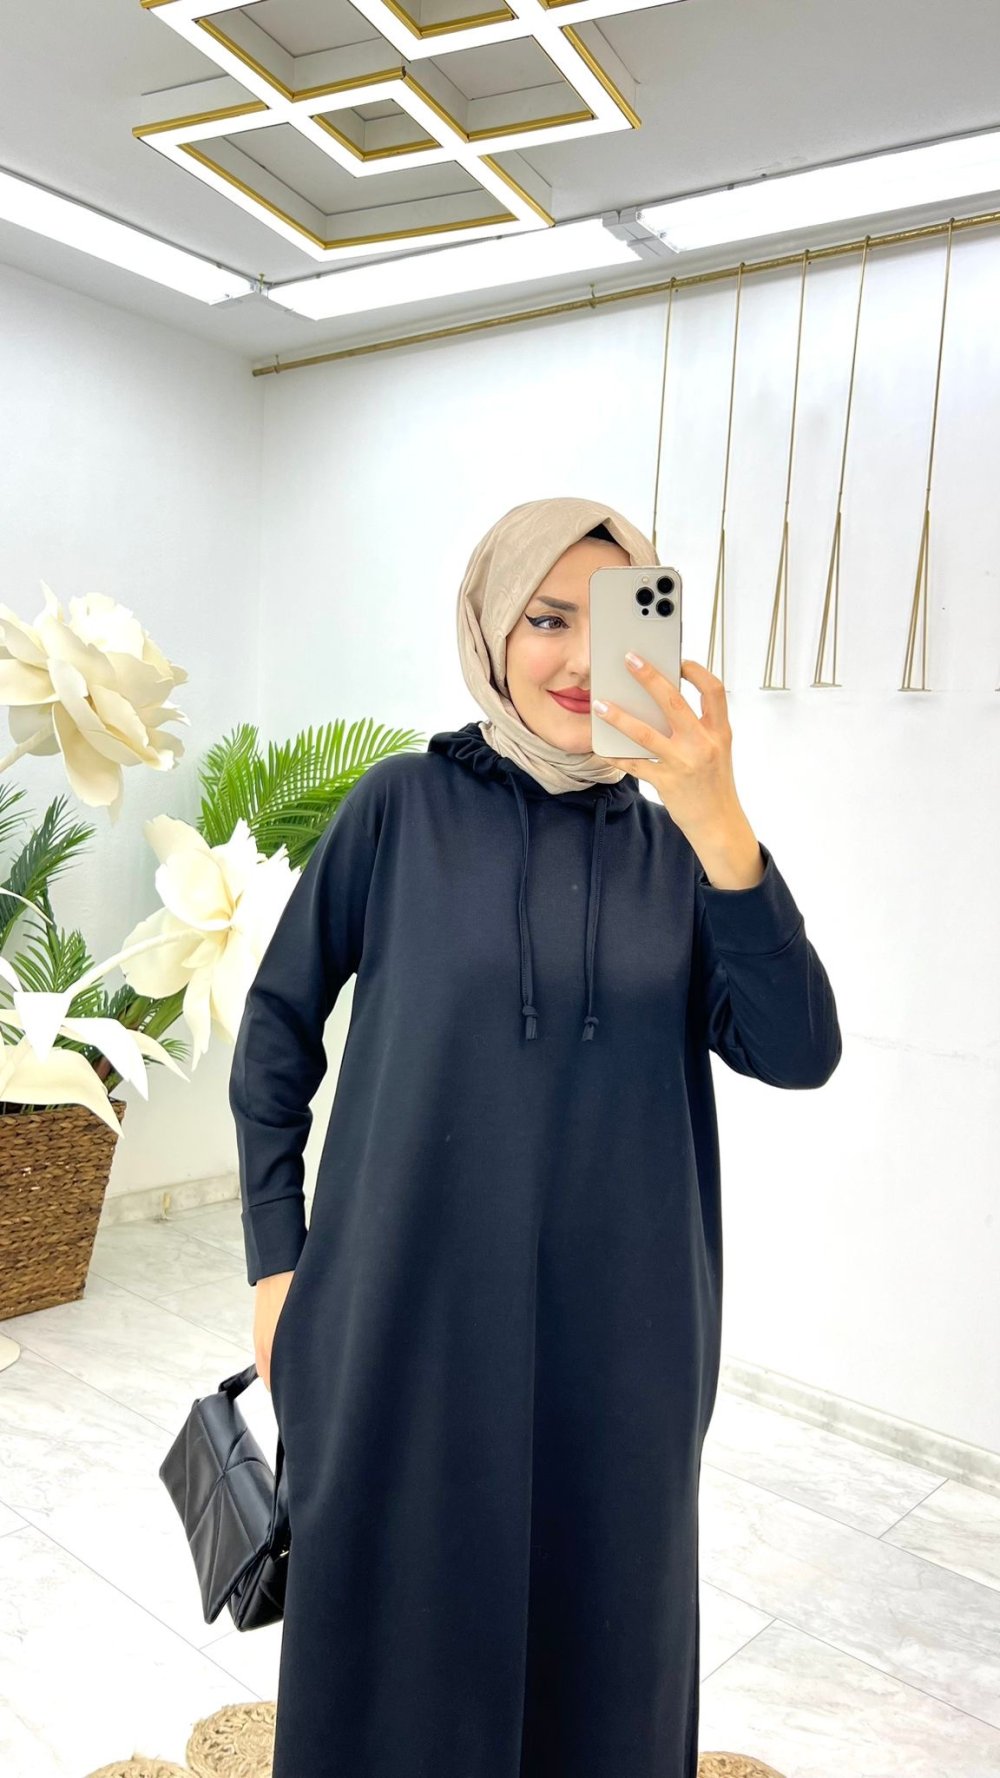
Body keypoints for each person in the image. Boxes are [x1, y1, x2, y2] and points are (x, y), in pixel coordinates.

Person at [229, 494, 842, 1778]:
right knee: (394, 1642)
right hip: (399, 1317)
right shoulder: (400, 808)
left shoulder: (680, 853)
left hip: (622, 1341)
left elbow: (797, 1049)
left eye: (611, 622)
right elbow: (277, 1026)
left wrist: (717, 815)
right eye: (545, 618)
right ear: (490, 628)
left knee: (605, 1644)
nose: (576, 658)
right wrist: (277, 1262)